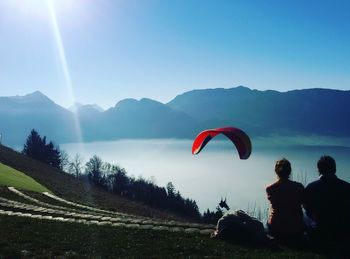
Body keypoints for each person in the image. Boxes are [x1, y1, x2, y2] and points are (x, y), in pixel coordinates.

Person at [304, 155, 350, 250]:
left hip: (319, 232)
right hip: (343, 232)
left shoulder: (311, 187)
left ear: (319, 170)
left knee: (303, 214)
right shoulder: (347, 187)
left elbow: (307, 209)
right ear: (335, 169)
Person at [266, 158, 305, 243]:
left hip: (277, 227)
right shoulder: (299, 187)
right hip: (296, 227)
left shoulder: (270, 188)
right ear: (290, 171)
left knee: (270, 216)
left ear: (276, 172)